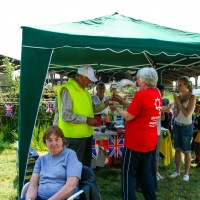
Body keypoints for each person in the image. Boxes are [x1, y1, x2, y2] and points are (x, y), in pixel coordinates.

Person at [110, 67, 162, 200]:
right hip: (149, 142)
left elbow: (128, 116)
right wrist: (122, 101)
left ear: (144, 81)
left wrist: (116, 108)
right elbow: (137, 109)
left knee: (128, 175)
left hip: (135, 143)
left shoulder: (142, 94)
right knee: (146, 174)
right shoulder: (156, 93)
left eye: (138, 79)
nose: (136, 81)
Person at [57, 65, 111, 167]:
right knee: (73, 167)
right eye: (89, 79)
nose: (90, 82)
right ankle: (74, 183)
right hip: (73, 137)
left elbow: (92, 109)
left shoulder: (85, 90)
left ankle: (83, 183)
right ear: (80, 77)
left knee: (84, 166)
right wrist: (86, 120)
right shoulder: (68, 89)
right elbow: (65, 115)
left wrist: (106, 103)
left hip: (86, 135)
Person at [23, 125, 82, 200]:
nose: (53, 143)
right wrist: (29, 198)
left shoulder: (70, 155)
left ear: (62, 141)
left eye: (57, 139)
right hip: (39, 197)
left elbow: (71, 186)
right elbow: (33, 185)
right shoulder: (41, 160)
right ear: (45, 142)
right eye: (50, 140)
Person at [170, 76, 196, 181]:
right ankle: (177, 171)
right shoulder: (179, 97)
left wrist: (178, 102)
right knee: (177, 150)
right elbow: (176, 115)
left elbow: (187, 113)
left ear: (186, 85)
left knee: (186, 151)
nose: (178, 87)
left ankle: (186, 173)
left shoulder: (192, 97)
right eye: (177, 85)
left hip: (186, 127)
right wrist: (175, 105)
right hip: (177, 125)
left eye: (180, 85)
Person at [191, 101, 200, 167]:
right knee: (196, 148)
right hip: (196, 135)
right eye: (195, 106)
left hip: (199, 135)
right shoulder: (198, 114)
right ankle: (196, 159)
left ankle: (199, 163)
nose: (195, 108)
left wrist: (192, 131)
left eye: (197, 107)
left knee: (198, 148)